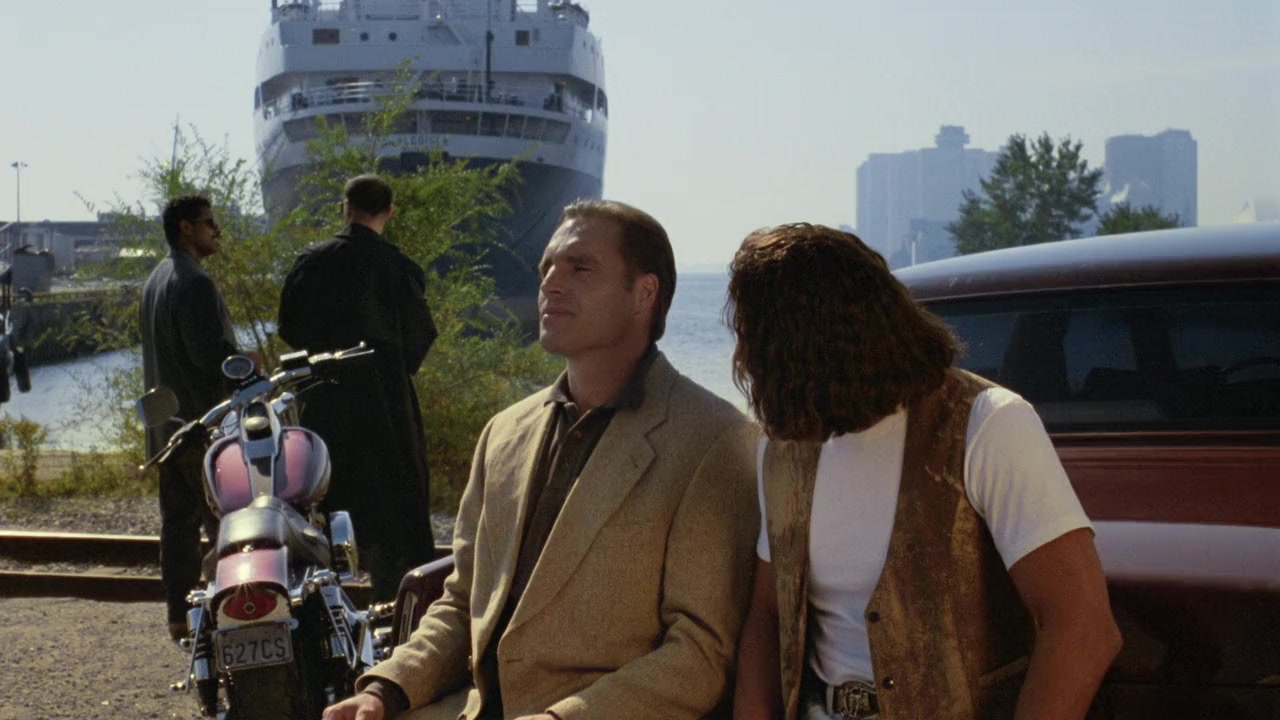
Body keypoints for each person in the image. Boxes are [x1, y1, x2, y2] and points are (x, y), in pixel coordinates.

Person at [322, 200, 759, 720]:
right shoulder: (505, 433)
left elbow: (698, 655)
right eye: (547, 267)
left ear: (644, 293)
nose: (551, 283)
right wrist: (384, 691)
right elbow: (463, 603)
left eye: (580, 268)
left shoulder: (713, 440)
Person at [727, 224, 1122, 720]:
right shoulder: (786, 448)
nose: (742, 359)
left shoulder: (988, 424)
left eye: (751, 340)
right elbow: (769, 613)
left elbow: (1083, 628)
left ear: (802, 348)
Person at [278, 174, 438, 601]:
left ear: (345, 208)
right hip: (387, 405)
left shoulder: (313, 262)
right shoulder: (400, 268)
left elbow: (289, 327)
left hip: (326, 400)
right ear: (390, 212)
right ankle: (391, 604)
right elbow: (420, 337)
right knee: (392, 509)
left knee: (323, 500)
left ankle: (326, 602)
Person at [140, 195, 242, 642]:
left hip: (166, 429)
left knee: (178, 526)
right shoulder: (194, 282)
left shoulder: (155, 279)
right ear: (186, 228)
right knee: (226, 524)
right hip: (203, 429)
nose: (217, 230)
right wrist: (246, 362)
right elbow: (209, 359)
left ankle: (179, 615)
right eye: (209, 222)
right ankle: (232, 614)